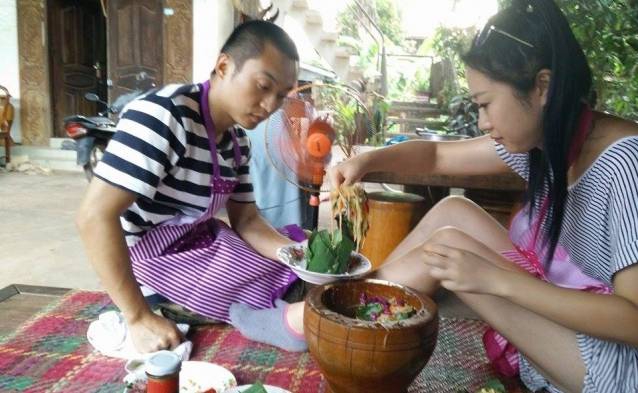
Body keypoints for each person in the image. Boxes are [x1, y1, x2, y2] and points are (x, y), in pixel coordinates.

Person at [238, 0, 638, 391]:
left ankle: (320, 318)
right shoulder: (549, 140)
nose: (483, 122)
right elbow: (437, 153)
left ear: (542, 87)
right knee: (454, 212)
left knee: (448, 250)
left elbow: (634, 321)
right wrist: (368, 162)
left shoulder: (624, 166)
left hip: (615, 368)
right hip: (573, 314)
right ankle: (338, 313)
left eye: (486, 104)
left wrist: (496, 281)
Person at [76, 20, 309, 354]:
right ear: (224, 66)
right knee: (268, 289)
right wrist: (139, 317)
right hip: (151, 257)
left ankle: (268, 311)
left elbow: (247, 221)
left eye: (281, 96)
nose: (270, 105)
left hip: (200, 242)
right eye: (262, 86)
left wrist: (297, 256)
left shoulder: (237, 143)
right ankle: (260, 316)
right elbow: (93, 216)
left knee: (294, 263)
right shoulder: (165, 116)